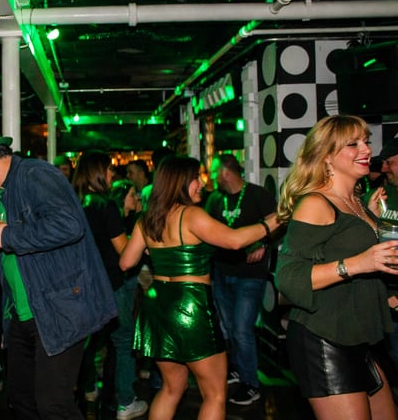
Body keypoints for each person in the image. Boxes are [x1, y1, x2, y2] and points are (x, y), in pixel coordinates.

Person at [0, 122, 116, 420]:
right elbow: (23, 260)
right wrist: (7, 318)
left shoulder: (34, 175)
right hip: (24, 316)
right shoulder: (3, 195)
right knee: (21, 400)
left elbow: (69, 225)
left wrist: (7, 236)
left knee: (53, 404)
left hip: (59, 311)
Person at [119, 155, 280, 420]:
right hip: (190, 306)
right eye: (197, 178)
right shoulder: (191, 215)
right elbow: (235, 241)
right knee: (215, 394)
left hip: (158, 305)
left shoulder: (147, 219)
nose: (201, 184)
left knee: (171, 388)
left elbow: (126, 262)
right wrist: (273, 221)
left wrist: (153, 249)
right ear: (181, 182)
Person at [275, 115, 398, 420]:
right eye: (353, 144)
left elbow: (344, 243)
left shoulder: (356, 201)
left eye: (366, 141)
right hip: (324, 339)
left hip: (356, 335)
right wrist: (359, 263)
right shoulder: (316, 203)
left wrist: (368, 222)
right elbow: (288, 277)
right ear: (327, 156)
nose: (366, 150)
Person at [72, 151, 147, 420]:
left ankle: (87, 389)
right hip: (110, 284)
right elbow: (124, 252)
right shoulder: (106, 206)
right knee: (123, 340)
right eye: (108, 169)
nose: (112, 174)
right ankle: (125, 401)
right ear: (97, 172)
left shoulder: (75, 203)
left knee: (88, 343)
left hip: (82, 285)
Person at [205, 153, 277, 405]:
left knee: (242, 329)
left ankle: (251, 384)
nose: (211, 177)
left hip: (249, 276)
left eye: (214, 172)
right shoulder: (215, 199)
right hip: (222, 273)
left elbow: (279, 222)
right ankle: (237, 368)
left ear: (225, 172)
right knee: (229, 327)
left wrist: (263, 242)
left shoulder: (257, 195)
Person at [370, 136, 398, 419]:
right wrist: (391, 299)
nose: (385, 168)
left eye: (391, 161)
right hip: (397, 303)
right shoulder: (379, 199)